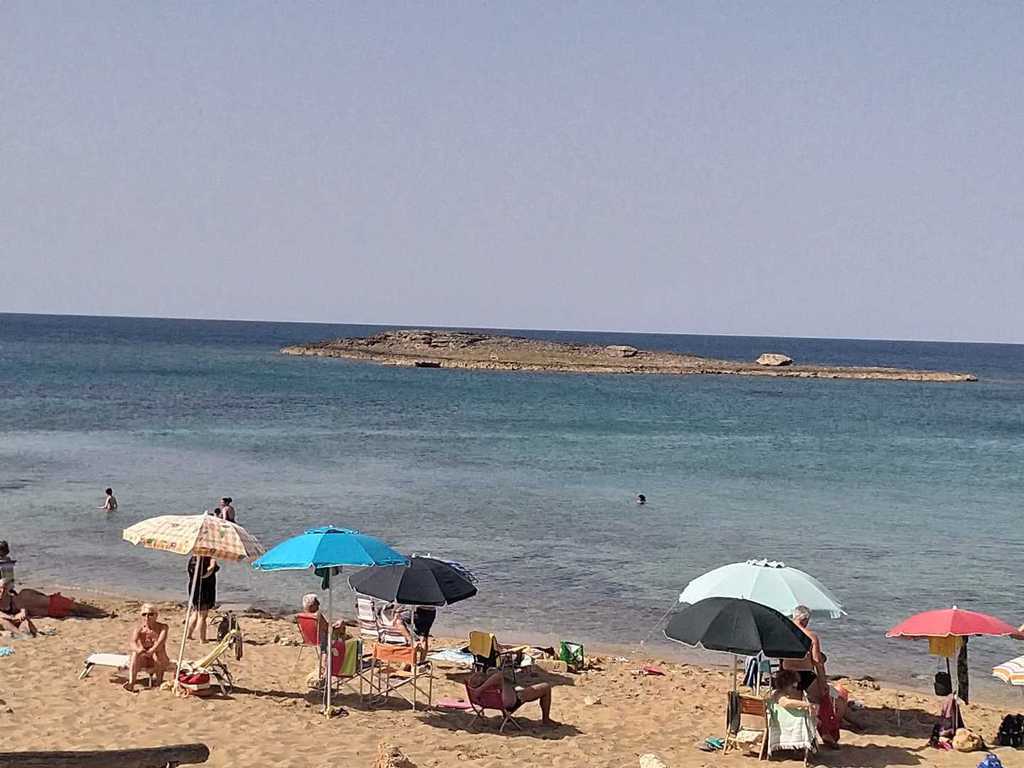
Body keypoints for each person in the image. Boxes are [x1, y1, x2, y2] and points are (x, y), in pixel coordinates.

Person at [783, 605, 840, 746]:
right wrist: (823, 682)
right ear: (806, 619)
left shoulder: (783, 633)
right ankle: (824, 733)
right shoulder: (811, 636)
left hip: (788, 674)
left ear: (794, 617)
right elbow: (817, 662)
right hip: (806, 674)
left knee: (795, 707)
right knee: (817, 704)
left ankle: (794, 739)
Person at [467, 668, 557, 726]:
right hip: (514, 699)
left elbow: (483, 679)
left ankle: (505, 714)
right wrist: (480, 689)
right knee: (546, 687)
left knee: (507, 686)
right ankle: (546, 720)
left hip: (495, 702)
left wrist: (479, 689)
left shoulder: (484, 692)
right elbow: (499, 675)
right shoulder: (487, 687)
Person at [124, 603, 169, 692]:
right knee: (135, 653)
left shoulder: (163, 627)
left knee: (158, 653)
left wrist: (152, 650)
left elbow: (161, 642)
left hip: (160, 659)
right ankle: (131, 683)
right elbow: (132, 642)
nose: (147, 617)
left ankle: (159, 682)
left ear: (156, 615)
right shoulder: (139, 628)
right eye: (144, 614)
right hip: (145, 659)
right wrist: (138, 650)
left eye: (150, 614)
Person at [185, 555, 218, 642]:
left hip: (193, 587)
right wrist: (212, 565)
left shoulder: (193, 558)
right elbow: (210, 569)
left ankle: (189, 634)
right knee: (202, 615)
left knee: (196, 611)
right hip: (204, 589)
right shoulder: (207, 559)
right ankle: (202, 638)